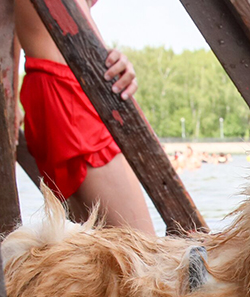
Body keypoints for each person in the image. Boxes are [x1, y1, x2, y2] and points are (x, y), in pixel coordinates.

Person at [15, 0, 155, 236]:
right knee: (145, 255)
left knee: (104, 256)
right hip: (69, 92)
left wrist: (108, 57)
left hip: (64, 85)